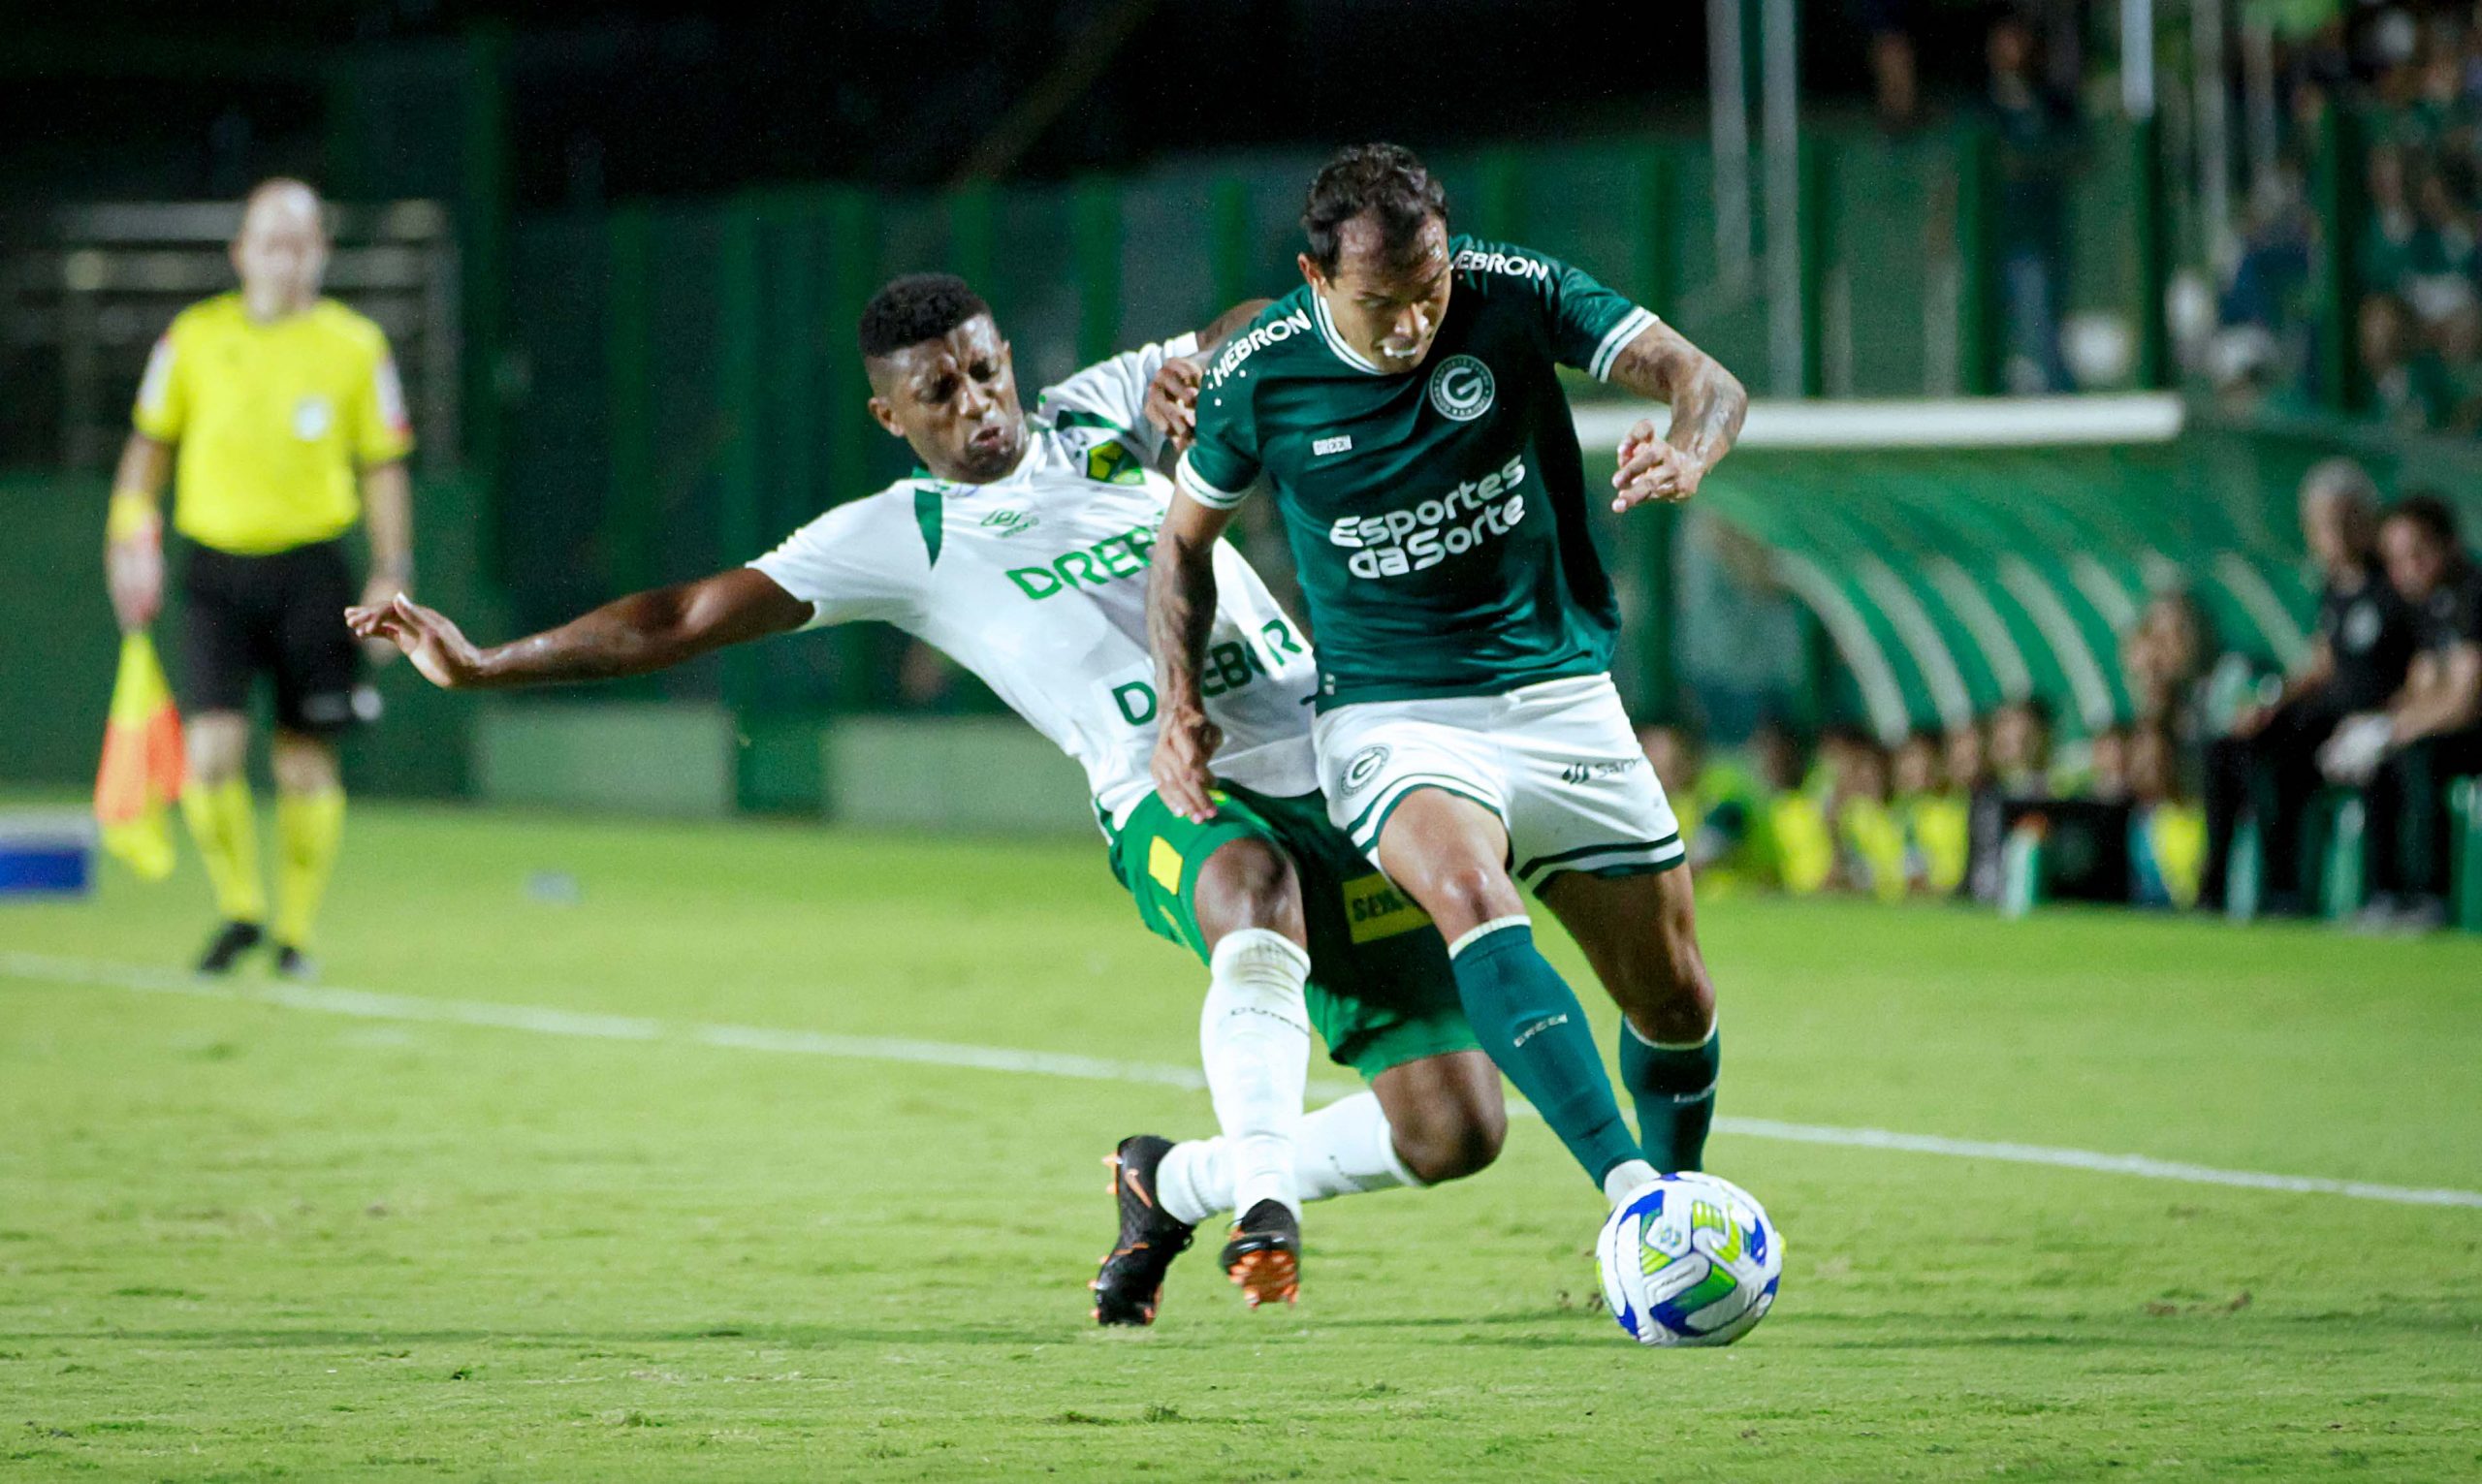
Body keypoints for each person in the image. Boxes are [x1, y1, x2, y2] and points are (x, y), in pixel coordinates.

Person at [349, 274, 1507, 1324]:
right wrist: (488, 661)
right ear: (890, 417)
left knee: (1455, 1130)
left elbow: (1261, 323)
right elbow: (679, 619)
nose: (979, 402)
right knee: (1246, 891)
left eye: (987, 369)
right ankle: (1264, 1201)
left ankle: (1173, 1180)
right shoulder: (895, 537)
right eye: (939, 391)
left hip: (1332, 761)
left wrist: (1215, 363)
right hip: (1171, 792)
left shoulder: (1103, 412)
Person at [1148, 143, 1748, 1213]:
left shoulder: (1514, 291)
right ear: (1315, 277)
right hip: (1393, 713)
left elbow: (1703, 380)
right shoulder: (1259, 374)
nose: (1416, 324)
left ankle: (1684, 1200)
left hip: (1558, 691)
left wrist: (1692, 450)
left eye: (1430, 292)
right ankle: (1635, 1207)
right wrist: (1180, 706)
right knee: (1472, 893)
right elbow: (1181, 545)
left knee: (1675, 999)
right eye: (1384, 302)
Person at [103, 179, 415, 979]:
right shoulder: (191, 339)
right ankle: (241, 907)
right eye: (270, 240)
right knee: (211, 753)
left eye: (301, 240)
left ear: (322, 253)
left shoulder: (356, 346)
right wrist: (128, 532)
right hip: (216, 570)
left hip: (314, 571)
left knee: (306, 762)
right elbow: (148, 449)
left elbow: (383, 469)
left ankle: (296, 936)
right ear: (242, 252)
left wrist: (390, 570)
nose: (286, 255)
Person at [2199, 460, 2415, 913]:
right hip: (2329, 720)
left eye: (2340, 520)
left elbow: (2421, 667)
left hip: (2381, 720)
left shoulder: (2396, 584)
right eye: (2320, 524)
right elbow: (2322, 663)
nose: (2329, 533)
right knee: (2241, 751)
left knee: (2378, 765)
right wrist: (2269, 703)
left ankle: (2387, 895)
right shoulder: (2334, 591)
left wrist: (2384, 720)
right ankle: (2250, 891)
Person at [2341, 495, 2482, 931]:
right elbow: (2421, 690)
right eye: (2397, 559)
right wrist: (2375, 729)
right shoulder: (2426, 606)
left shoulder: (2472, 594)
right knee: (2379, 762)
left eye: (2417, 554)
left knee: (2419, 756)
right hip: (2450, 733)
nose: (2407, 569)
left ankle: (2429, 897)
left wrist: (2397, 729)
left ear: (2448, 546)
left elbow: (2465, 701)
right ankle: (2384, 896)